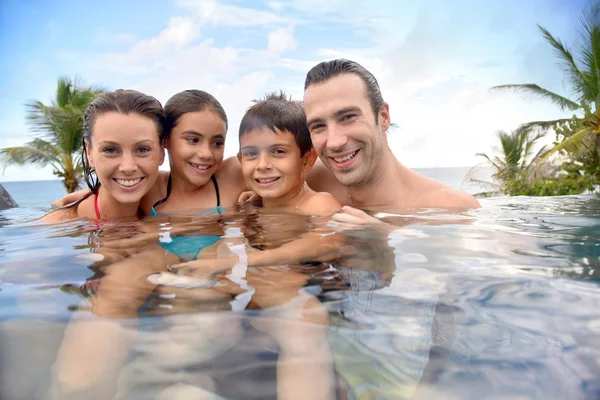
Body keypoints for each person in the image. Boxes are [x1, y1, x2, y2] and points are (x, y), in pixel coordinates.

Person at [302, 58, 480, 226]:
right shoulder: (308, 180)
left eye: (348, 117)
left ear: (383, 117)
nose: (334, 142)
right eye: (318, 126)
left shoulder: (452, 209)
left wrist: (383, 235)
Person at [42, 89, 166, 223]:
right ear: (89, 152)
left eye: (143, 149)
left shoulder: (166, 195)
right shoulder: (58, 225)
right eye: (110, 150)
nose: (128, 167)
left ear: (162, 152)